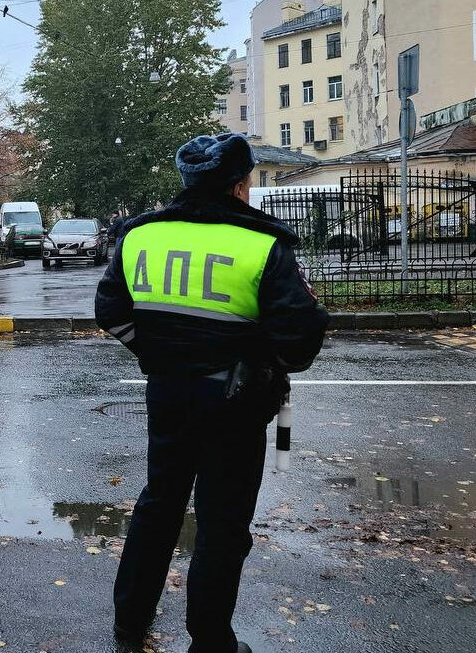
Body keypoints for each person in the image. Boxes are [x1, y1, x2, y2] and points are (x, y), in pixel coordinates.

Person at [95, 133, 329, 653]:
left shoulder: (139, 235)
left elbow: (111, 312)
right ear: (240, 185)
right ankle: (211, 641)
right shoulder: (262, 243)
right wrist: (269, 366)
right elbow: (301, 334)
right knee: (222, 524)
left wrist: (156, 356)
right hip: (237, 404)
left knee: (158, 506)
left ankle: (129, 626)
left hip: (168, 394)